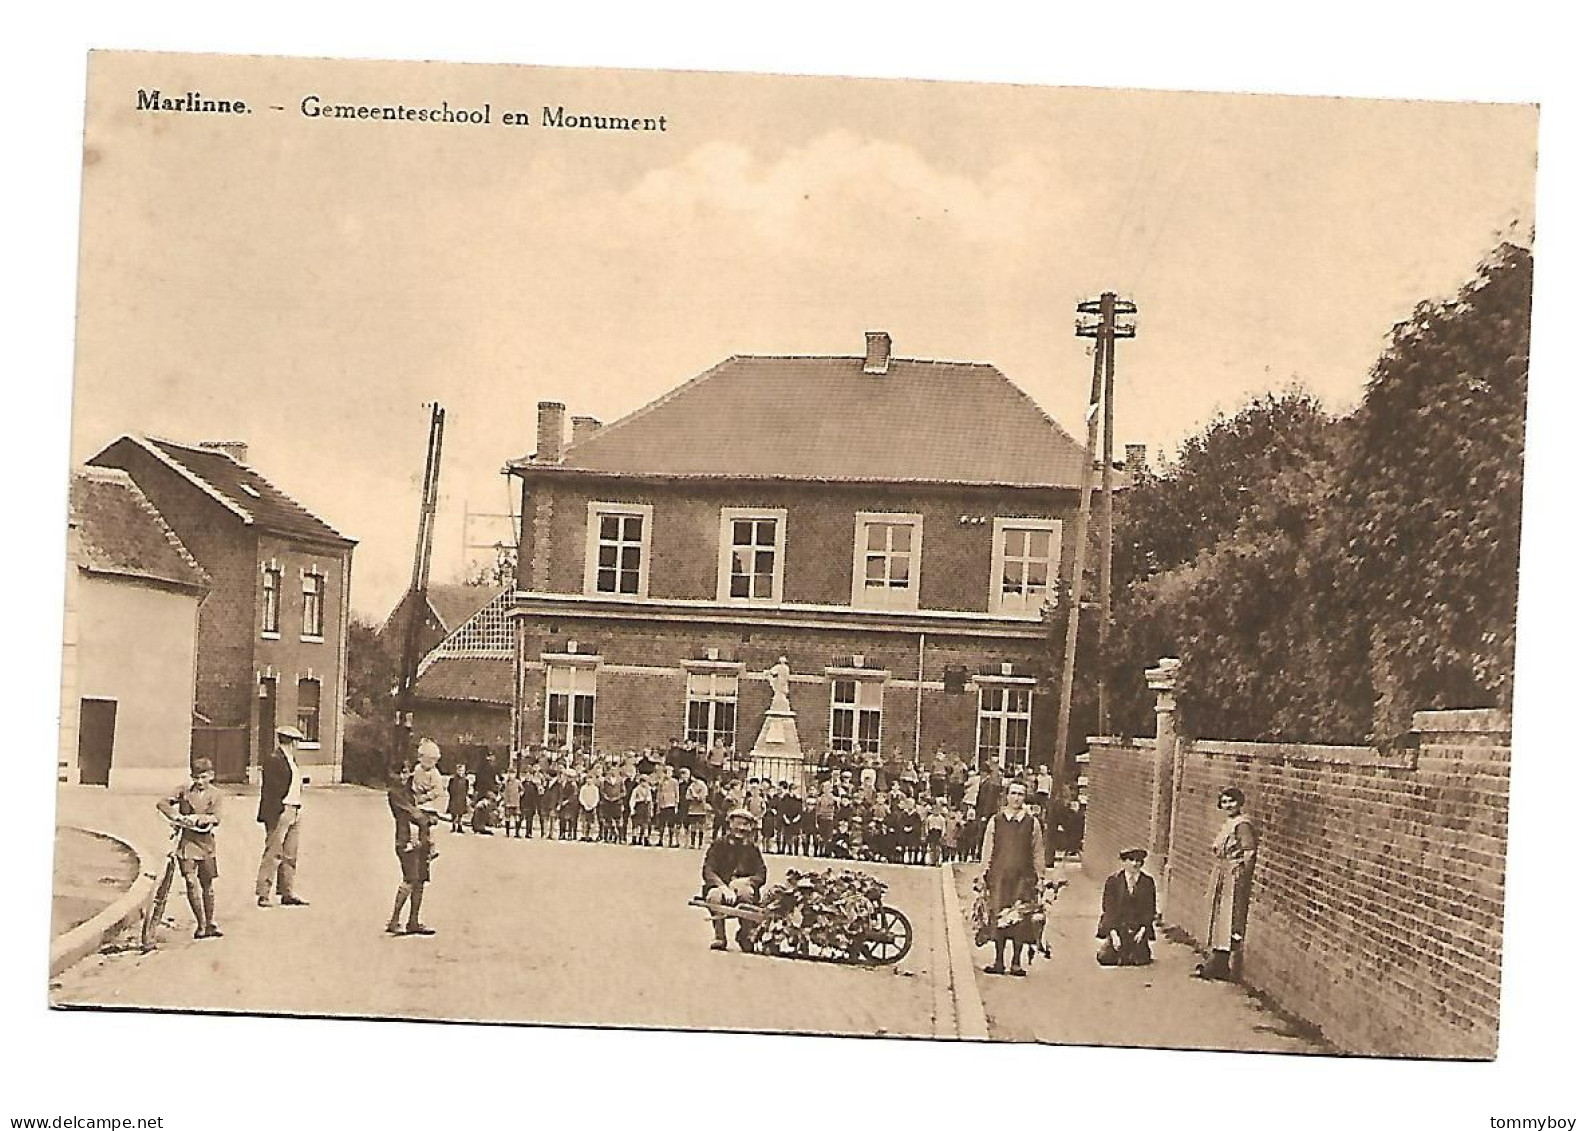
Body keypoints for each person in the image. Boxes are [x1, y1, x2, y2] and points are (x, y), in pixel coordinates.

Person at [978, 781, 1045, 977]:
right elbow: (987, 849)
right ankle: (998, 961)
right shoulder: (996, 821)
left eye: (1021, 794)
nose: (1016, 798)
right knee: (999, 918)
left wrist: (1040, 878)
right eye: (1013, 793)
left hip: (1023, 879)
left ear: (1025, 798)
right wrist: (983, 874)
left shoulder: (1032, 822)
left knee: (1020, 919)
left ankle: (1016, 962)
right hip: (999, 878)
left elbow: (1038, 852)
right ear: (1006, 796)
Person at [156, 756, 224, 939]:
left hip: (206, 844)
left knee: (207, 885)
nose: (199, 782)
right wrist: (176, 817)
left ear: (211, 776)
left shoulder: (216, 794)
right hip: (186, 843)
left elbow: (217, 817)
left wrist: (204, 819)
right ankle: (201, 924)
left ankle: (210, 922)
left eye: (203, 777)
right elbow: (162, 803)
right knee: (190, 882)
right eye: (196, 777)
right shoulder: (184, 791)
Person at [1196, 786, 1259, 981]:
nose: (1228, 805)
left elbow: (1249, 851)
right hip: (1222, 870)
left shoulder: (1242, 824)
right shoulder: (1229, 823)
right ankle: (1217, 960)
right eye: (1224, 802)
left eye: (1232, 801)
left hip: (1232, 873)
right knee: (1217, 915)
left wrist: (1241, 872)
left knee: (1229, 916)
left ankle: (1224, 963)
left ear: (1239, 802)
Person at [256, 724, 310, 907]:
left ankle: (287, 891)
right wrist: (277, 812)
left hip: (294, 808)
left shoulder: (291, 760)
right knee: (273, 853)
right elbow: (271, 790)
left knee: (290, 853)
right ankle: (263, 894)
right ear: (292, 742)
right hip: (281, 810)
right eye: (296, 741)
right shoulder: (274, 760)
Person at [701, 808, 767, 951]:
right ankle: (719, 936)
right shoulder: (719, 845)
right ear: (730, 824)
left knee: (746, 894)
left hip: (742, 888)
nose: (741, 829)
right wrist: (723, 887)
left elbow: (761, 874)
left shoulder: (752, 849)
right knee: (714, 896)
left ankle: (745, 934)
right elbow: (708, 870)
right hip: (721, 887)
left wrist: (747, 881)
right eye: (737, 824)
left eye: (745, 825)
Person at [386, 759, 437, 936]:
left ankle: (413, 921)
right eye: (398, 773)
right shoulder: (395, 794)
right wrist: (427, 819)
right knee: (410, 878)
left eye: (405, 772)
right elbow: (411, 812)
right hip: (405, 841)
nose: (402, 776)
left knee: (421, 880)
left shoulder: (411, 791)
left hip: (421, 840)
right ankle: (394, 920)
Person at [1096, 848, 1156, 966]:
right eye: (1131, 860)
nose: (1135, 864)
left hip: (1137, 929)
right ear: (1124, 862)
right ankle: (1114, 948)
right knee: (1106, 959)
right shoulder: (1113, 881)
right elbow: (1108, 909)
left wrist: (1143, 929)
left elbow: (1150, 909)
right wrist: (1113, 934)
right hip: (1119, 928)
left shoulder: (1147, 882)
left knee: (1140, 959)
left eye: (1138, 860)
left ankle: (1136, 950)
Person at [447, 764, 470, 834]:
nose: (460, 772)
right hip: (454, 798)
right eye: (459, 770)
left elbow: (467, 788)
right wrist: (452, 794)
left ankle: (460, 826)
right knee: (453, 812)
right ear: (456, 771)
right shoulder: (453, 779)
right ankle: (453, 826)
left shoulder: (465, 780)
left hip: (462, 798)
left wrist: (465, 795)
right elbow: (449, 788)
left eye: (462, 771)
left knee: (461, 813)